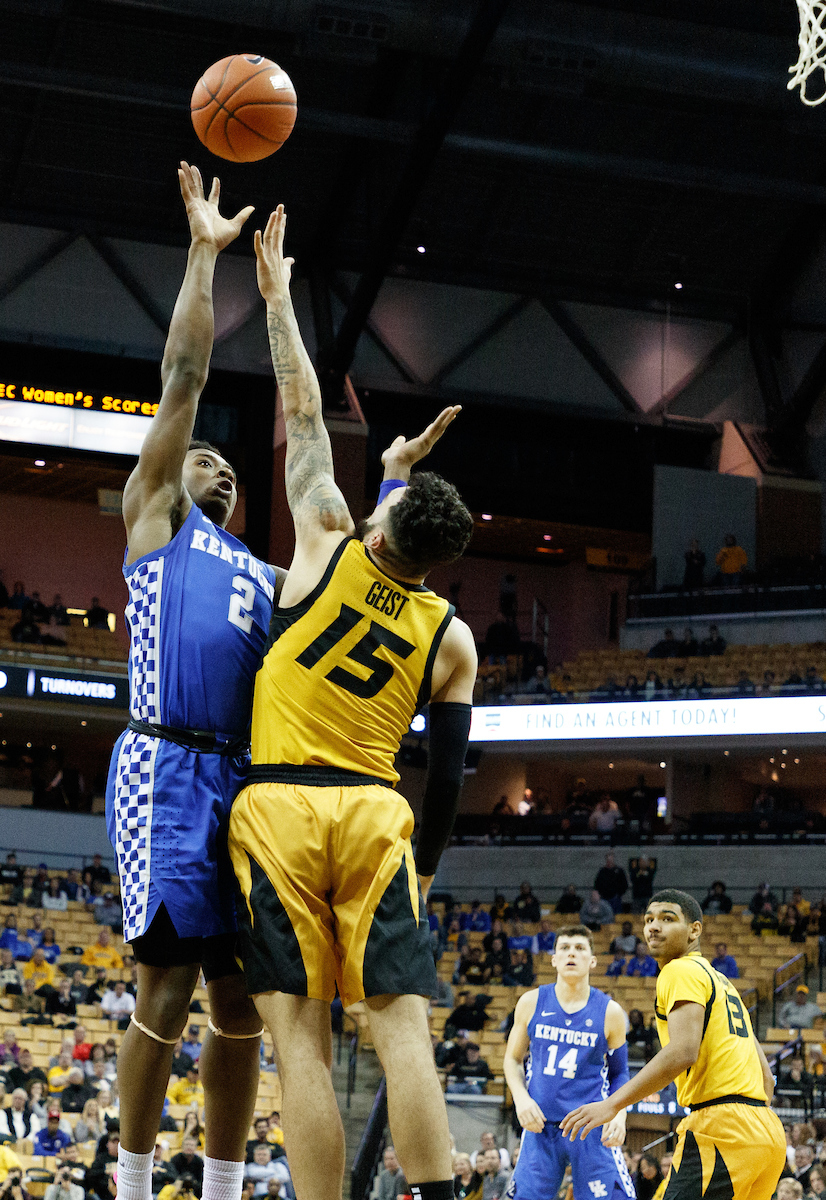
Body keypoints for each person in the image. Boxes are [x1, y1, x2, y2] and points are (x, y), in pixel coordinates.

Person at [227, 203, 476, 1200]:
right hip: (378, 814)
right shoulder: (450, 634)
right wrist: (423, 863)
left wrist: (280, 294)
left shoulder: (326, 539)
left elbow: (298, 404)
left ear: (381, 521)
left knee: (300, 1042)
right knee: (399, 1027)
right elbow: (450, 776)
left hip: (279, 806)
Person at [560, 888, 786, 1200]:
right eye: (649, 919)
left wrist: (612, 1104)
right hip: (767, 1133)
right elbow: (767, 1078)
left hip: (722, 1126)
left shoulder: (679, 969)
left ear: (695, 930)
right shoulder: (723, 983)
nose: (653, 926)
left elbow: (682, 1052)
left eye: (667, 919)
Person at [503, 925, 634, 1200]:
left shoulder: (610, 1011)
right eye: (564, 948)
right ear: (553, 959)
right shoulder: (531, 1002)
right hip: (542, 1126)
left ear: (592, 960)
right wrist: (521, 1099)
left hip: (591, 1126)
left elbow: (620, 1073)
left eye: (579, 948)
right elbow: (513, 1060)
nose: (571, 954)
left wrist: (619, 1114)